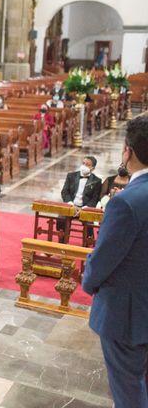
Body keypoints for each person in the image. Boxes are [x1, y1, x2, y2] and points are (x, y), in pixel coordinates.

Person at [82, 116, 148, 408]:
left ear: (128, 151)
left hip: (128, 313)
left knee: (128, 390)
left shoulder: (127, 201)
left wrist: (88, 281)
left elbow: (103, 258)